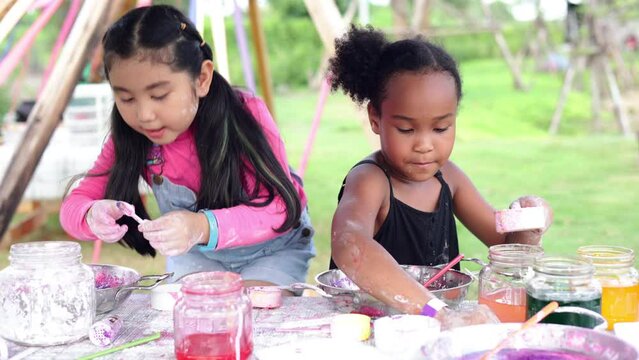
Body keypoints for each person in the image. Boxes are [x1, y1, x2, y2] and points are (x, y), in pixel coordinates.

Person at [60, 5, 315, 287]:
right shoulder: (132, 137)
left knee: (249, 313)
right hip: (198, 256)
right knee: (196, 316)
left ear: (202, 78)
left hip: (273, 251)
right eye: (127, 99)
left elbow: (280, 207)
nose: (144, 115)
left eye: (159, 95)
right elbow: (74, 206)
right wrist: (91, 215)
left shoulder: (244, 116)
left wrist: (200, 226)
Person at [328, 25, 553, 327]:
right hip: (368, 327)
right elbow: (349, 244)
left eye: (441, 128)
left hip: (436, 328)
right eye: (406, 129)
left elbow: (507, 248)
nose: (424, 145)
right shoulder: (371, 180)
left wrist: (530, 222)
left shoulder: (450, 179)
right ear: (375, 119)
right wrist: (437, 312)